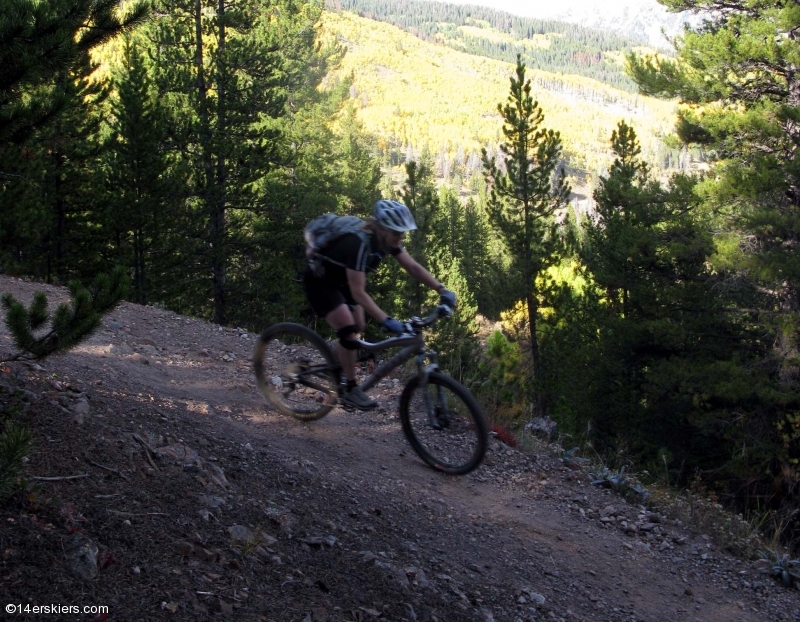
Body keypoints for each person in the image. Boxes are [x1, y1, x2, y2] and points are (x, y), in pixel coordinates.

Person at [303, 200, 457, 410]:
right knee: (348, 330)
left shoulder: (386, 241)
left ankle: (335, 369)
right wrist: (387, 320)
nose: (401, 237)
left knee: (359, 326)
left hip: (342, 280)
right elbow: (358, 292)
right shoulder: (357, 243)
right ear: (382, 229)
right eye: (397, 233)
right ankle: (350, 388)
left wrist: (442, 290)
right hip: (321, 282)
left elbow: (412, 266)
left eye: (403, 233)